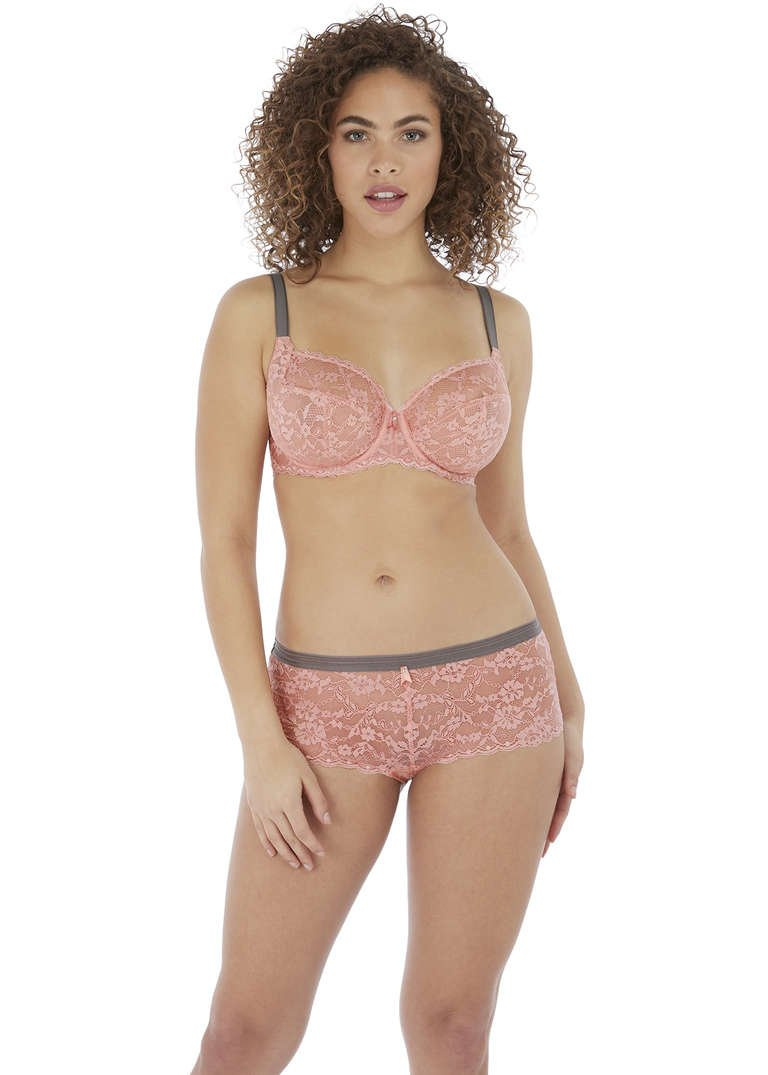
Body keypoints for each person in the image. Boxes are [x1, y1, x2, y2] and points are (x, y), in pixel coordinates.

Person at [190, 6, 585, 1073]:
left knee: (452, 1026)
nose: (384, 160)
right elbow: (225, 540)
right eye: (356, 132)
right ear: (316, 148)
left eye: (413, 132)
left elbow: (508, 524)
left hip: (497, 690)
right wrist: (261, 740)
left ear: (450, 151)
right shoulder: (261, 312)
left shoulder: (500, 321)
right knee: (244, 1028)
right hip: (323, 705)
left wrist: (568, 696)